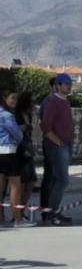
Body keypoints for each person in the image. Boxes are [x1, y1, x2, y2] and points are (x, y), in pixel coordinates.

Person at [39, 72, 74, 225]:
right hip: (57, 146)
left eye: (69, 83)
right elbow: (45, 126)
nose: (69, 86)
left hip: (65, 144)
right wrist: (58, 142)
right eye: (66, 84)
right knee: (62, 180)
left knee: (58, 180)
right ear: (58, 86)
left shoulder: (65, 102)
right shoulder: (52, 101)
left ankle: (53, 212)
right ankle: (52, 213)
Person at [0, 87, 33, 227]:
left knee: (1, 187)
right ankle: (18, 219)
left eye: (16, 98)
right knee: (16, 187)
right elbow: (18, 135)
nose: (15, 101)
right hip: (9, 151)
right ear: (4, 99)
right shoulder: (7, 115)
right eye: (12, 98)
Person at [14, 91, 38, 222]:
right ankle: (17, 213)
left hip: (28, 149)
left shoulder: (28, 114)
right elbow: (17, 135)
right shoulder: (16, 115)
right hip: (20, 151)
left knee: (30, 181)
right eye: (32, 102)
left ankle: (21, 211)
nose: (34, 105)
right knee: (22, 182)